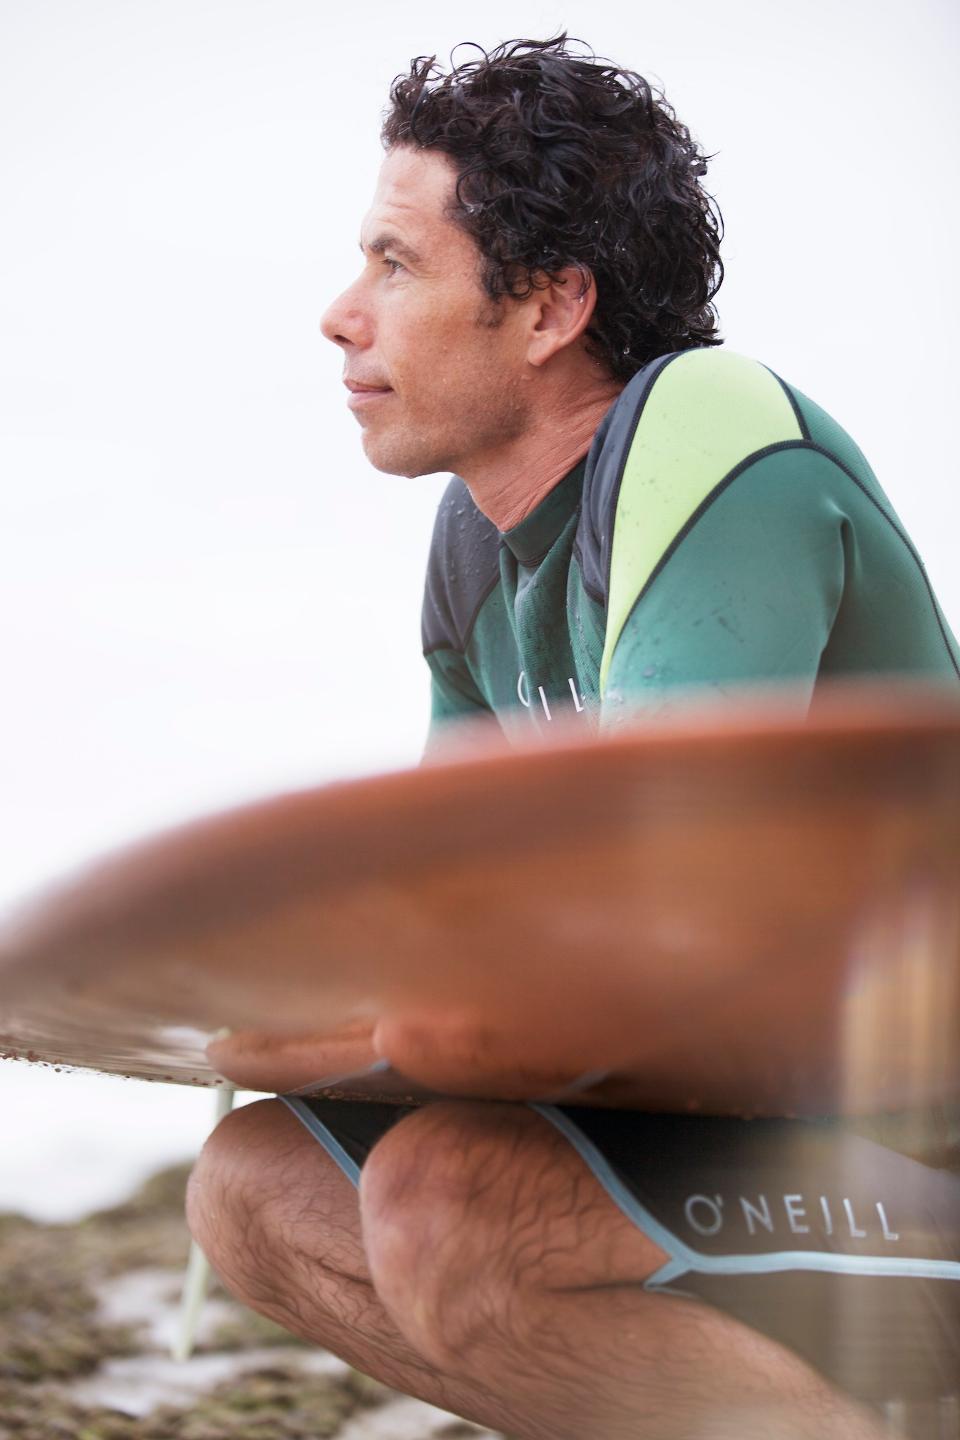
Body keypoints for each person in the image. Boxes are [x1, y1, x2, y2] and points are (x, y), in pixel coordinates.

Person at [187, 37, 960, 1439]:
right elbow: (458, 941)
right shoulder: (477, 549)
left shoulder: (710, 430)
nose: (340, 315)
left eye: (396, 264)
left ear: (549, 305)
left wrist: (328, 1011)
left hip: (922, 1145)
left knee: (450, 1205)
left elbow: (623, 961)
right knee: (256, 1190)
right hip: (747, 1142)